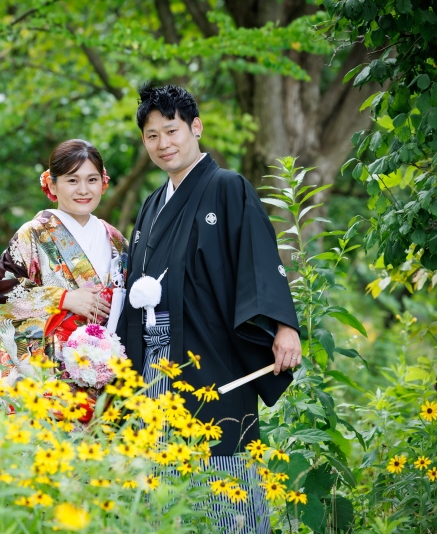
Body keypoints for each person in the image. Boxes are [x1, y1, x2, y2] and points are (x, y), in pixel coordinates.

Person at [116, 85, 302, 532]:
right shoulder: (150, 205)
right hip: (153, 362)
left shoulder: (227, 187)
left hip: (210, 354)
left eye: (172, 130)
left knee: (226, 468)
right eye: (152, 136)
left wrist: (283, 326)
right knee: (161, 481)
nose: (164, 144)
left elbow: (257, 257)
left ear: (195, 127)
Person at [0, 139, 128, 420]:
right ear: (52, 185)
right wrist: (63, 298)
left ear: (104, 183)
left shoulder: (116, 241)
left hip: (106, 372)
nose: (84, 189)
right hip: (51, 374)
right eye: (72, 180)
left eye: (92, 179)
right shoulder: (35, 233)